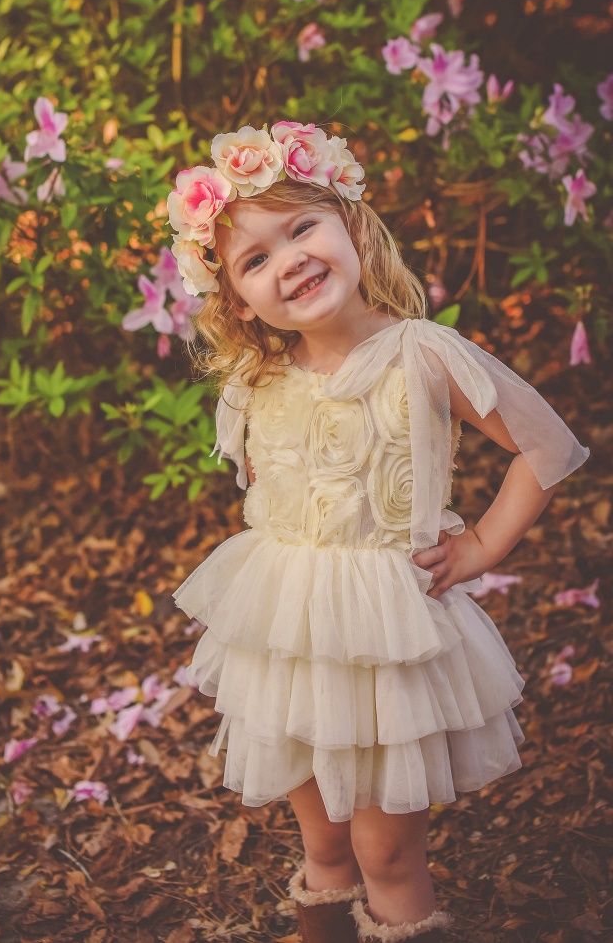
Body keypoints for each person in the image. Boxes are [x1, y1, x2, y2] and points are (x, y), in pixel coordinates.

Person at [168, 120, 589, 943]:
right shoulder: (256, 384)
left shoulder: (420, 355)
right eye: (254, 260)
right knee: (323, 842)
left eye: (302, 227)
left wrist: (482, 544)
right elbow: (274, 501)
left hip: (389, 643)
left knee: (385, 851)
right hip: (295, 646)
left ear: (351, 223)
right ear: (237, 301)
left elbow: (544, 446)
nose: (288, 258)